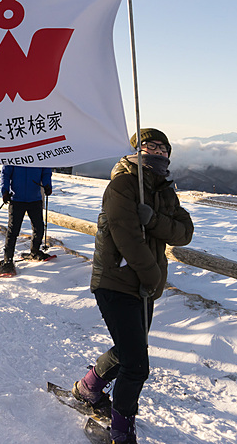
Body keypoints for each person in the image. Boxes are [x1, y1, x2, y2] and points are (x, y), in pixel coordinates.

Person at [71, 128, 194, 443]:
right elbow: (126, 237)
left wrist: (153, 220)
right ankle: (122, 431)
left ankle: (88, 388)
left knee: (129, 351)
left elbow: (184, 232)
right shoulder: (123, 185)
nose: (157, 152)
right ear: (134, 151)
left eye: (162, 148)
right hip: (116, 281)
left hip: (144, 285)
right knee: (137, 364)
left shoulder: (165, 190)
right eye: (149, 146)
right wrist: (152, 277)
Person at [0, 165, 52, 276]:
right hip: (16, 199)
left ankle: (35, 251)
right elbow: (6, 174)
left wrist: (47, 185)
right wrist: (5, 191)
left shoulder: (39, 155)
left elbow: (46, 171)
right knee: (13, 231)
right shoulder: (15, 154)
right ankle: (8, 260)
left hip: (35, 199)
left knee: (39, 227)